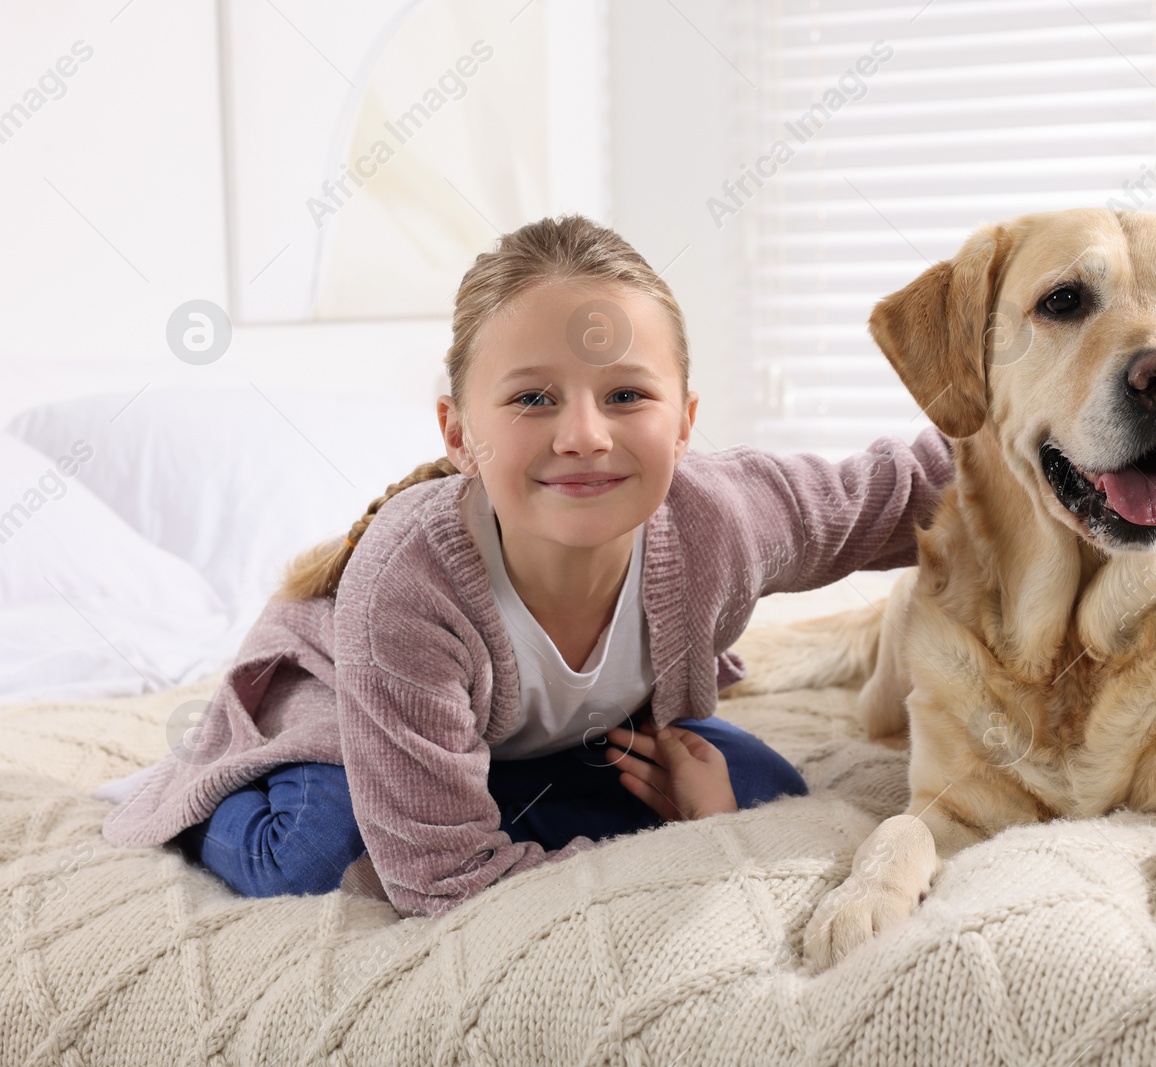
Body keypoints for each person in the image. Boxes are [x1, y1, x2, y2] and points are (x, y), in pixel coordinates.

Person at [97, 215, 954, 918]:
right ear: (459, 432)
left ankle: (467, 790)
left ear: (685, 422)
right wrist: (691, 841)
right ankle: (218, 792)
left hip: (545, 737)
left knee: (767, 785)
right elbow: (444, 883)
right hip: (347, 712)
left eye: (626, 394)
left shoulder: (720, 519)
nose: (584, 433)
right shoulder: (409, 586)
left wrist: (1053, 432)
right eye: (533, 398)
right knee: (320, 852)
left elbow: (911, 488)